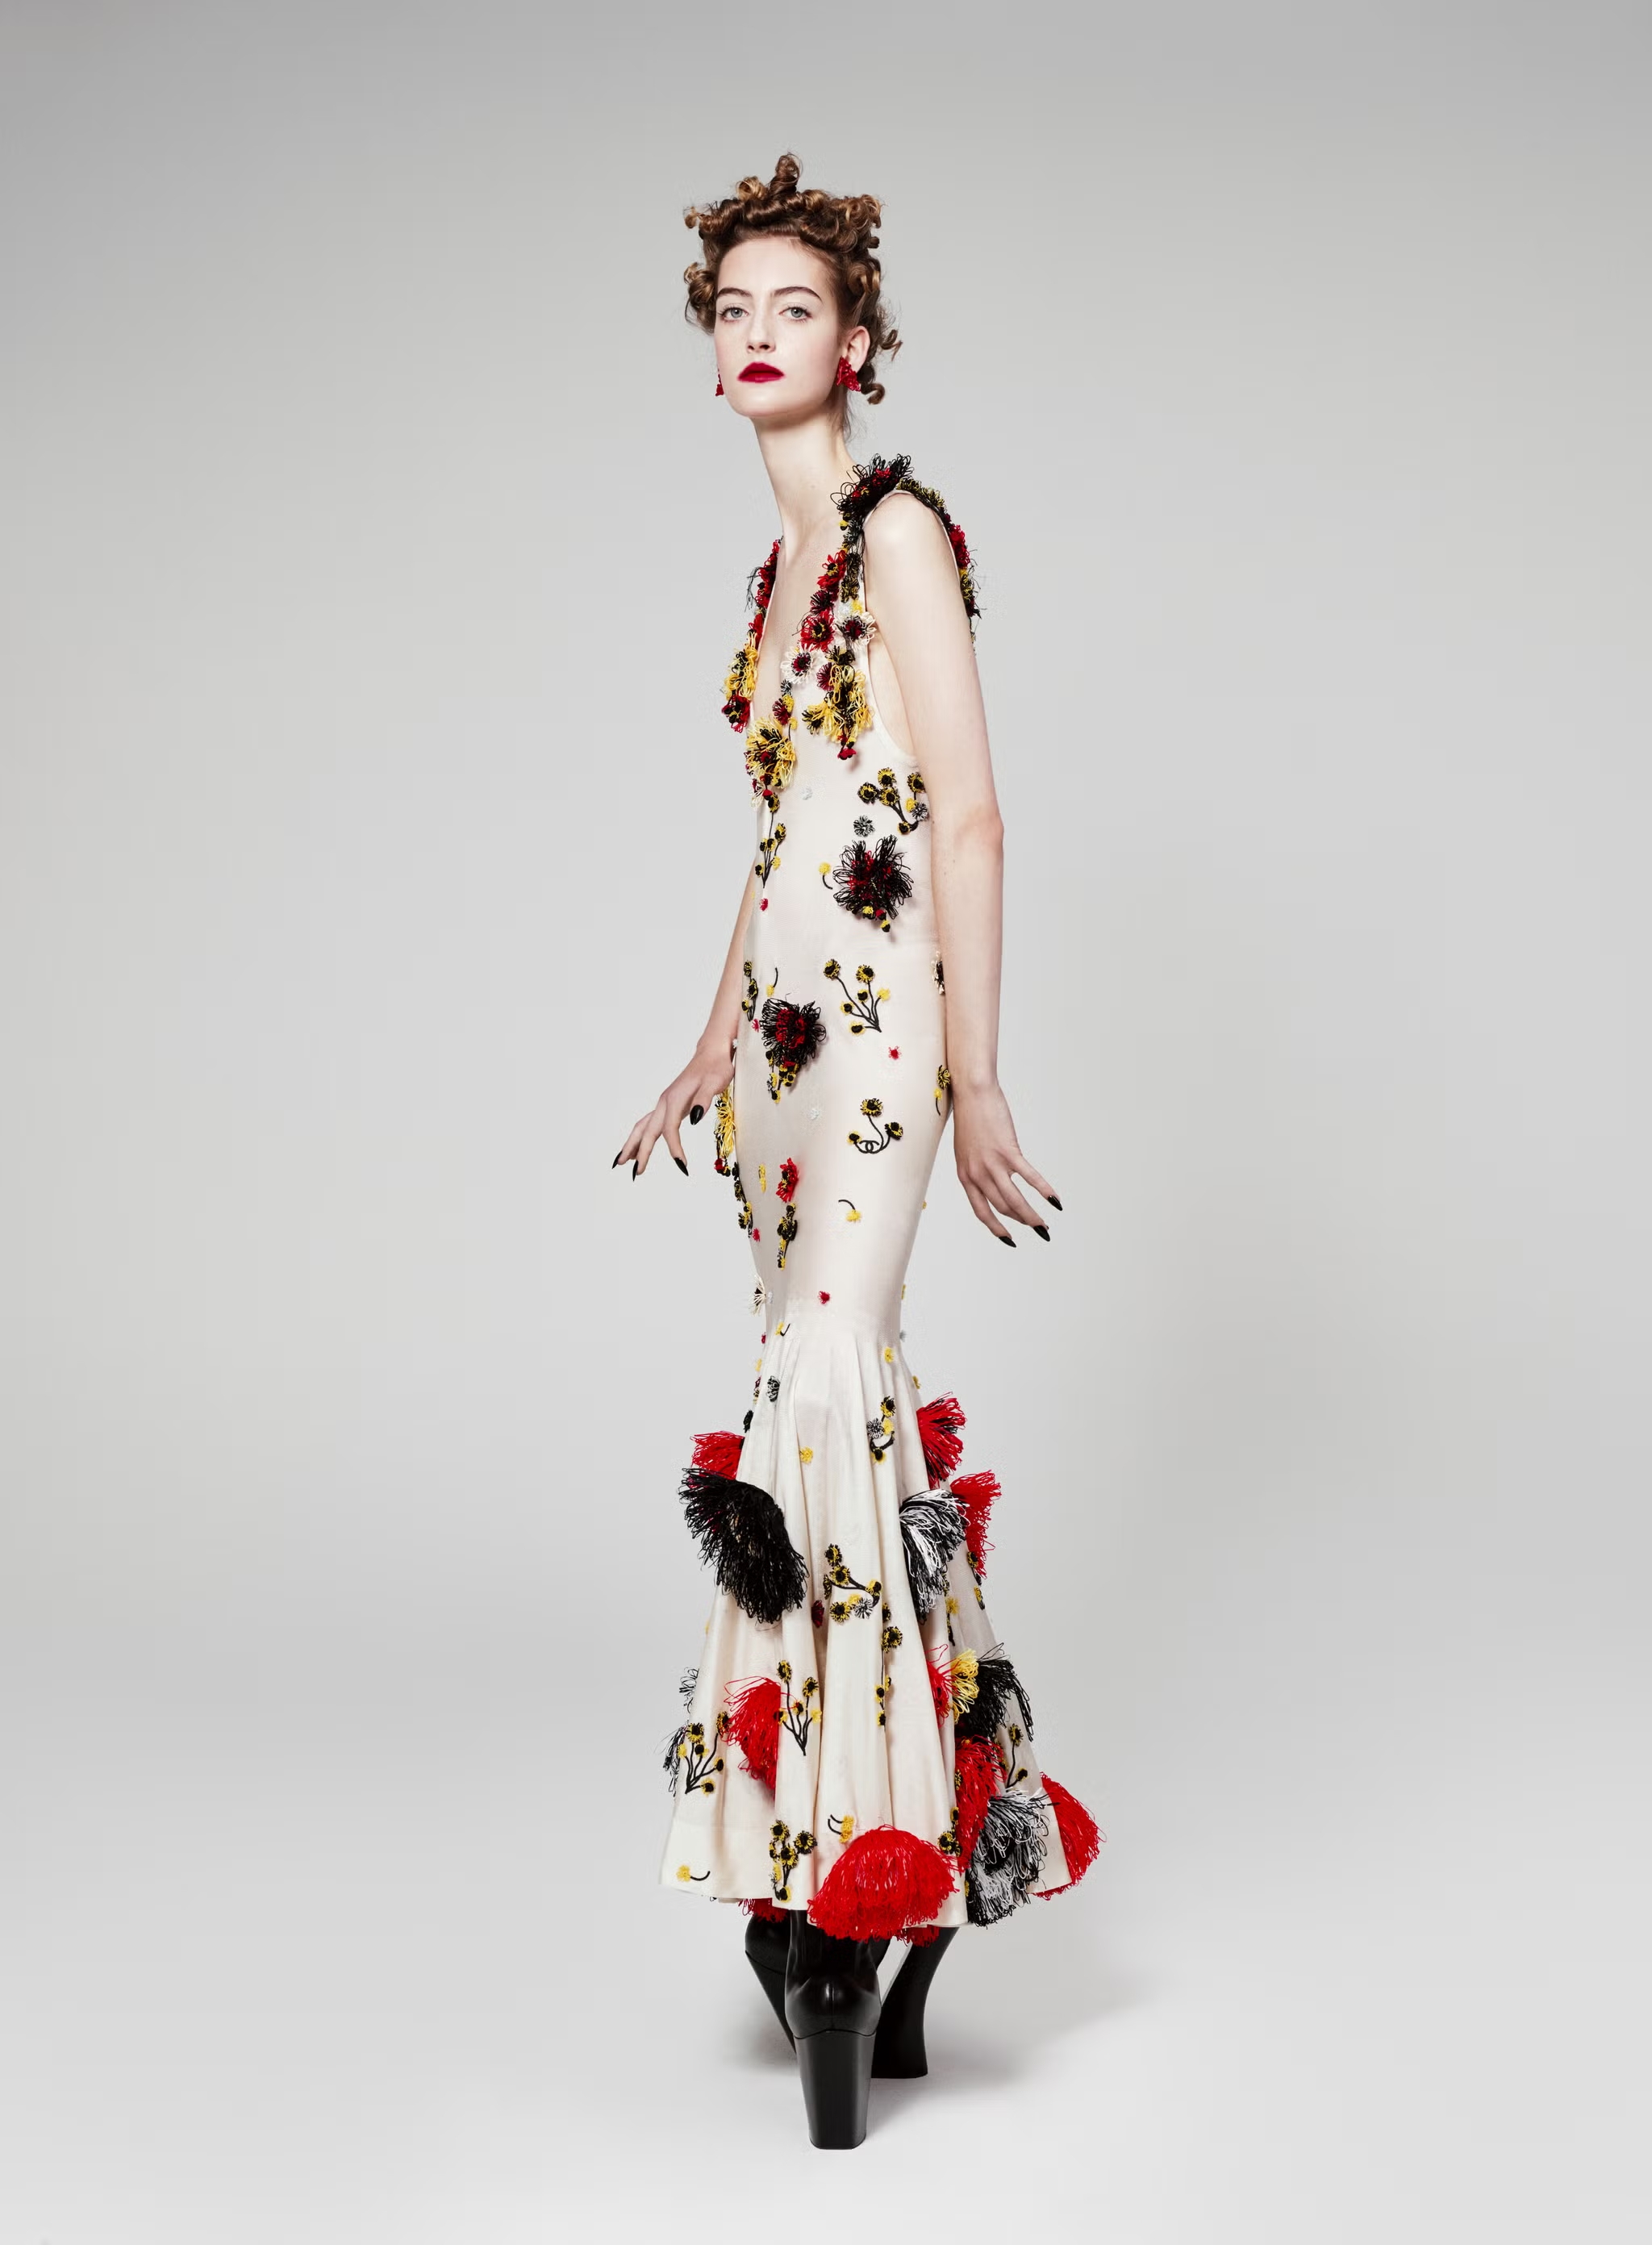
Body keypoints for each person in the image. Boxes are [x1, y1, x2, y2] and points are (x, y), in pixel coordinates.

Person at [616, 153, 1102, 2150]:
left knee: (828, 1373)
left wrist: (977, 1077)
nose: (758, 333)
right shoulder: (774, 573)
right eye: (732, 308)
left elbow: (963, 813)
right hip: (778, 1055)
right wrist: (703, 1043)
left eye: (793, 307)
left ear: (859, 341)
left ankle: (830, 1915)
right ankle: (885, 1874)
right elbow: (781, 831)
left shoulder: (899, 527)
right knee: (825, 1399)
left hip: (887, 1028)